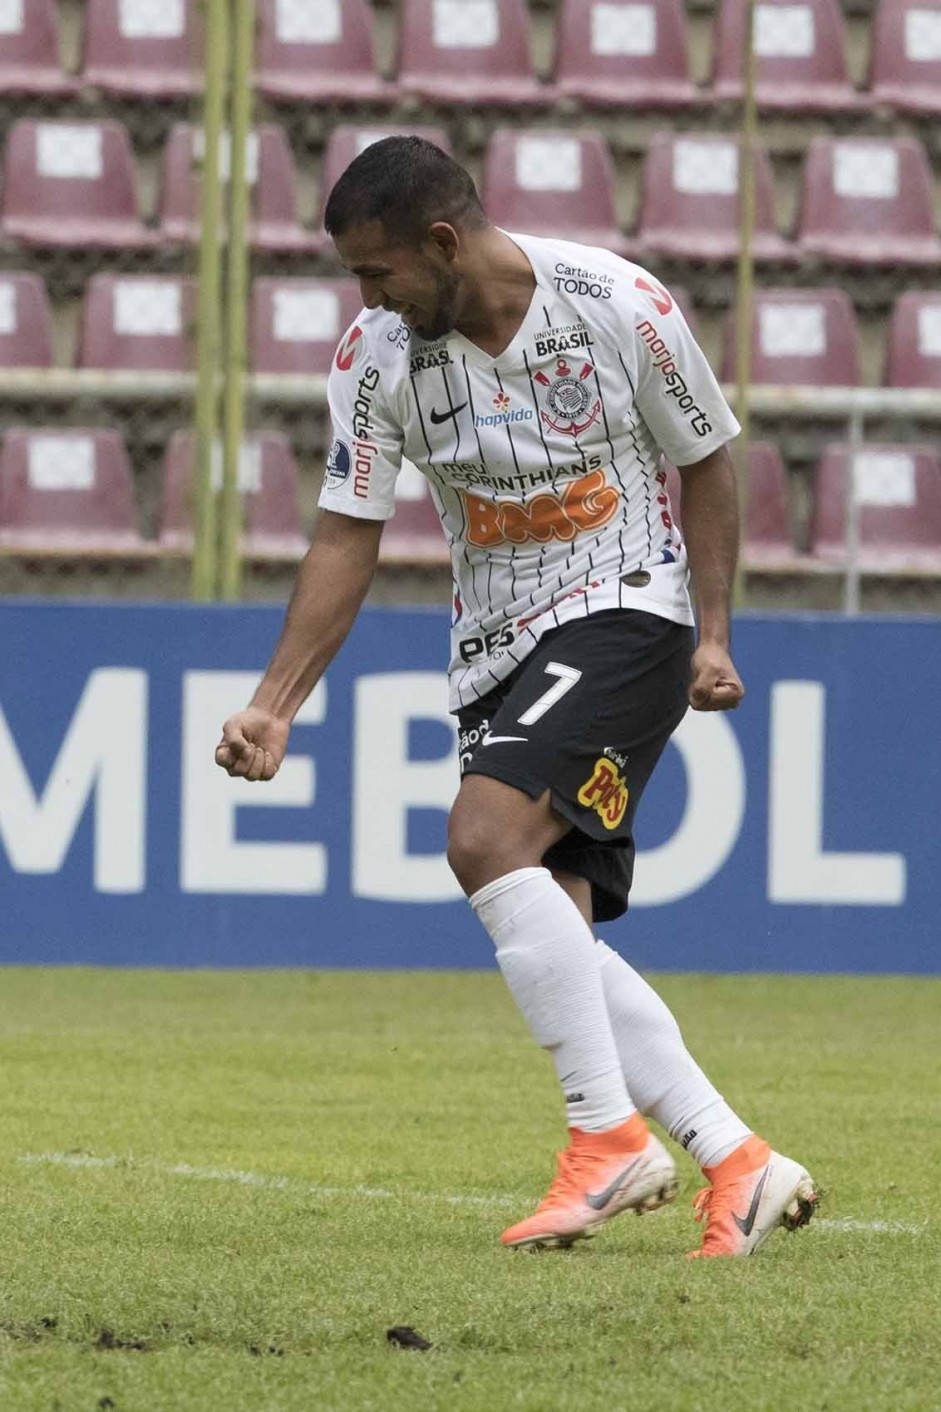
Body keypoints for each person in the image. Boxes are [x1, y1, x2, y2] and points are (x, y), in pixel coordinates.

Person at [215, 136, 819, 1258]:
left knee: (483, 837)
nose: (367, 296)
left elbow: (707, 459)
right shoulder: (375, 357)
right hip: (495, 649)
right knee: (557, 931)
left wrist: (715, 634)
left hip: (630, 606)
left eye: (377, 270)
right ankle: (734, 1157)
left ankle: (604, 1140)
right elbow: (348, 532)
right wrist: (277, 701)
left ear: (441, 242)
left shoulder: (618, 304)